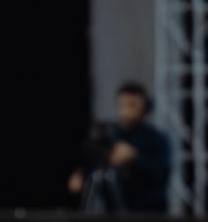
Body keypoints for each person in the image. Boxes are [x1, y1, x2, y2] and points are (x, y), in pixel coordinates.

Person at [69, 82, 171, 213]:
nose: (127, 109)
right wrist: (82, 176)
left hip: (146, 211)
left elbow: (162, 173)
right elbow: (94, 165)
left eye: (132, 104)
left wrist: (135, 157)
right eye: (123, 104)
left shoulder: (156, 138)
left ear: (144, 106)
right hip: (110, 211)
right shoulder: (110, 135)